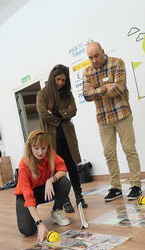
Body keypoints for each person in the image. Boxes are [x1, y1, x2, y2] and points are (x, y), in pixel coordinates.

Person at [83, 42, 142, 202]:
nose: (94, 60)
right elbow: (87, 96)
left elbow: (119, 88)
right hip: (103, 119)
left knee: (129, 150)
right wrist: (105, 87)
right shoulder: (87, 72)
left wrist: (97, 91)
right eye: (90, 57)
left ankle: (136, 185)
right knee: (109, 154)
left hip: (122, 114)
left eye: (96, 55)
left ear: (103, 51)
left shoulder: (117, 63)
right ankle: (115, 188)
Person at [36, 64, 88, 213]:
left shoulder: (67, 94)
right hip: (51, 140)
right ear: (52, 78)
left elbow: (73, 110)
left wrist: (57, 112)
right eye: (58, 79)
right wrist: (61, 116)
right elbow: (42, 113)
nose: (60, 83)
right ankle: (65, 200)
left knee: (72, 167)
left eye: (63, 80)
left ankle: (79, 196)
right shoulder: (43, 94)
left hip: (67, 138)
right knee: (57, 170)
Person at [14, 129, 71, 242]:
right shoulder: (24, 164)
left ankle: (56, 211)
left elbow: (63, 169)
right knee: (27, 230)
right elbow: (28, 196)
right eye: (36, 148)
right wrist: (39, 223)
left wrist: (50, 180)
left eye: (43, 148)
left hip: (44, 190)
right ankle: (34, 217)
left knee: (64, 182)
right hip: (26, 195)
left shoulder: (50, 154)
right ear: (30, 148)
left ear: (47, 147)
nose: (40, 152)